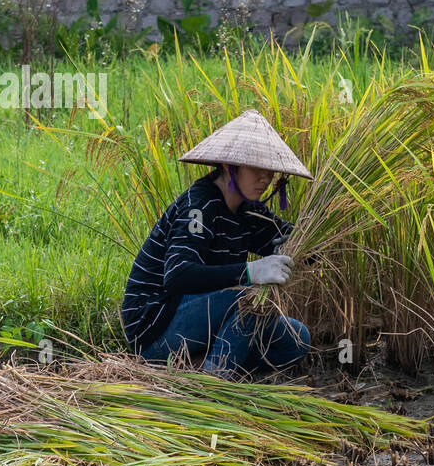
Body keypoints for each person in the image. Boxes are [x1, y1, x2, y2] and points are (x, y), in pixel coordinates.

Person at [121, 109, 314, 379]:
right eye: (256, 168)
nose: (266, 178)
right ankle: (215, 383)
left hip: (204, 325)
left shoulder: (249, 211)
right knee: (248, 299)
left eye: (270, 170)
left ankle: (200, 365)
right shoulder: (199, 207)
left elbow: (293, 241)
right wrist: (251, 272)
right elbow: (178, 275)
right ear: (229, 166)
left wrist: (307, 240)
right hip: (157, 328)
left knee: (297, 337)